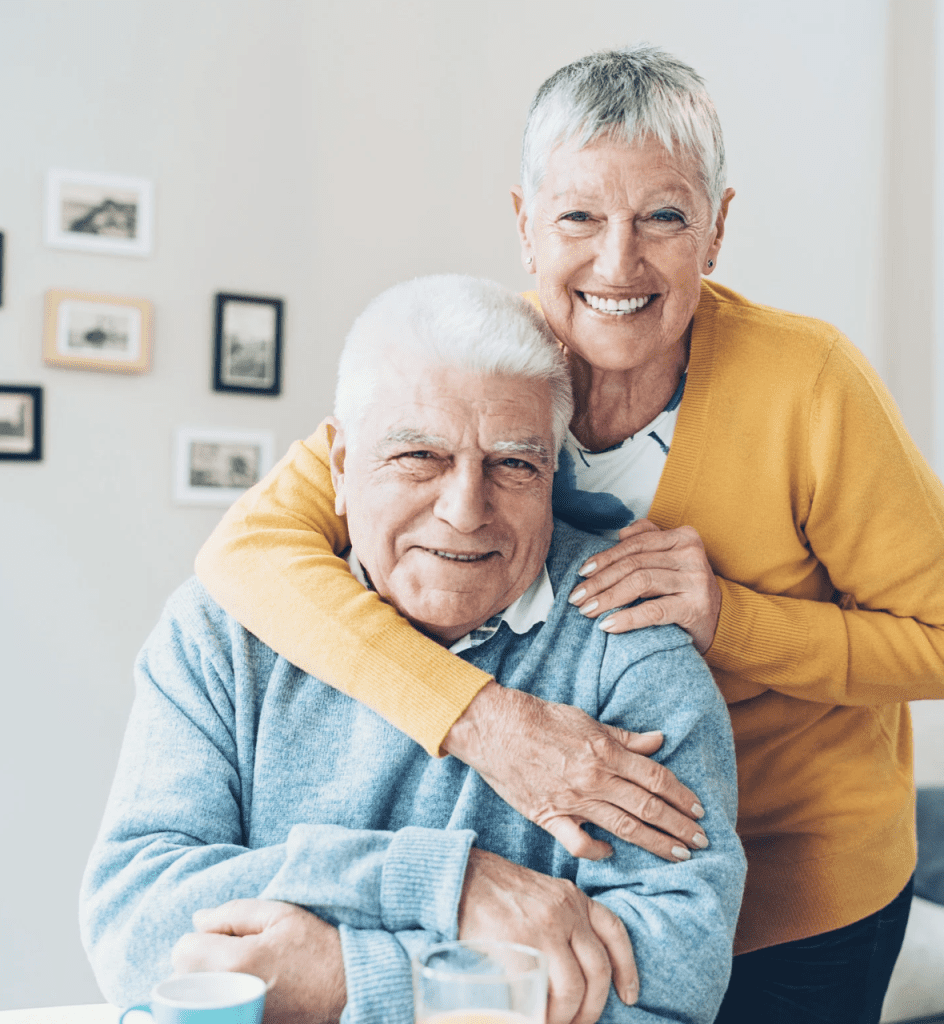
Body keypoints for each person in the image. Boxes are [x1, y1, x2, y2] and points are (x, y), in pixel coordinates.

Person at [193, 46, 944, 1023]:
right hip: (570, 862)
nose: (618, 263)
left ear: (716, 229)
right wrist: (484, 723)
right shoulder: (476, 364)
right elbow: (247, 552)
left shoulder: (813, 385)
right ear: (524, 224)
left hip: (802, 885)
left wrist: (730, 617)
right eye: (579, 216)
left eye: (663, 217)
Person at [81, 276, 745, 1024]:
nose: (464, 510)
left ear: (552, 476)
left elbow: (668, 986)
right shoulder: (221, 634)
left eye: (513, 464)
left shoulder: (628, 641)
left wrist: (348, 980)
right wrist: (440, 884)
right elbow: (135, 927)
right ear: (339, 468)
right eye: (420, 456)